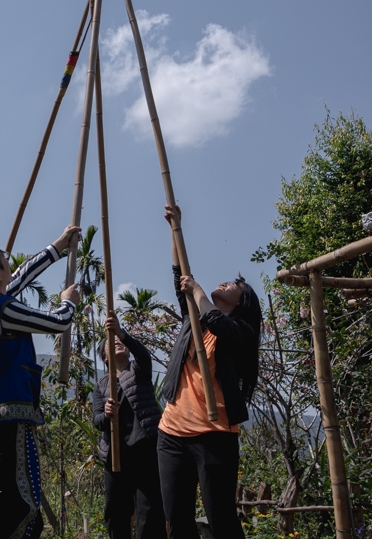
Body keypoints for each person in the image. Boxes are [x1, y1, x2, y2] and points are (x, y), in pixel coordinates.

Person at [0, 225, 81, 539]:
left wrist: (58, 246)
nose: (9, 262)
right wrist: (69, 302)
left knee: (11, 500)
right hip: (8, 416)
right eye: (3, 257)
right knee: (18, 506)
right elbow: (59, 323)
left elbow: (21, 275)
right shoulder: (4, 310)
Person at [157, 205, 262, 539]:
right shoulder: (194, 316)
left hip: (215, 432)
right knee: (177, 519)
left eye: (234, 285)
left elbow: (217, 321)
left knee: (221, 520)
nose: (225, 282)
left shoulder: (240, 331)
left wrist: (199, 292)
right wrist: (176, 228)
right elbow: (179, 276)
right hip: (172, 430)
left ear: (243, 301)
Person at [91, 314, 167, 539]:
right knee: (116, 512)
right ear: (105, 358)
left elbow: (143, 354)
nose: (116, 342)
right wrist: (105, 415)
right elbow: (96, 421)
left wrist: (121, 332)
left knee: (149, 510)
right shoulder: (101, 386)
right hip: (115, 455)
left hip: (145, 450)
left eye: (120, 341)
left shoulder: (139, 370)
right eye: (110, 341)